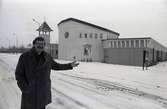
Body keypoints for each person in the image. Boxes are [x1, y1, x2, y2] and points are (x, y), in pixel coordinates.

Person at [15, 37, 79, 109]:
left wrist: (69, 65)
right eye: (38, 43)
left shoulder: (47, 57)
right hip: (29, 94)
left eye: (42, 44)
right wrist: (25, 88)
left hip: (42, 94)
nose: (40, 46)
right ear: (34, 44)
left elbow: (57, 66)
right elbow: (19, 74)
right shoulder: (25, 57)